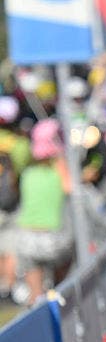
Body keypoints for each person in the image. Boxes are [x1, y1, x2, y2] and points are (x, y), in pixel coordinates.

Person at [15, 118, 73, 305]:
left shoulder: (27, 174)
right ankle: (58, 291)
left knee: (36, 295)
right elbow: (70, 188)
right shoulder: (59, 171)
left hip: (26, 239)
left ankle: (37, 301)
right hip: (53, 239)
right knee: (68, 257)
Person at [0, 96, 31, 300]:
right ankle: (7, 286)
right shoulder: (19, 144)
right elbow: (23, 171)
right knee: (9, 244)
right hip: (10, 201)